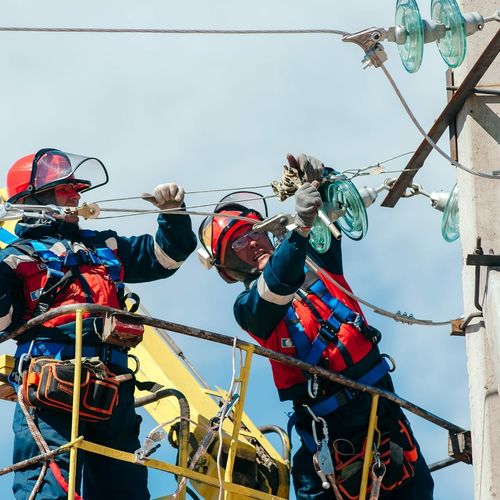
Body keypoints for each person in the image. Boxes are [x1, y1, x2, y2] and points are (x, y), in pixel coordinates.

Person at [198, 154, 434, 499]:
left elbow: (336, 205)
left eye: (253, 231)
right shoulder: (249, 308)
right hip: (328, 431)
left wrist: (319, 177)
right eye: (237, 243)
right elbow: (277, 284)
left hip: (382, 414)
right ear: (227, 269)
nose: (252, 242)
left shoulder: (319, 263)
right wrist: (302, 228)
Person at [0, 148, 197, 499]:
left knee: (124, 490)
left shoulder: (103, 246)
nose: (76, 197)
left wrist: (173, 215)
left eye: (77, 190)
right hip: (50, 386)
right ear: (33, 199)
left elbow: (165, 258)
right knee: (47, 486)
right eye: (65, 190)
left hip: (113, 387)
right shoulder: (15, 259)